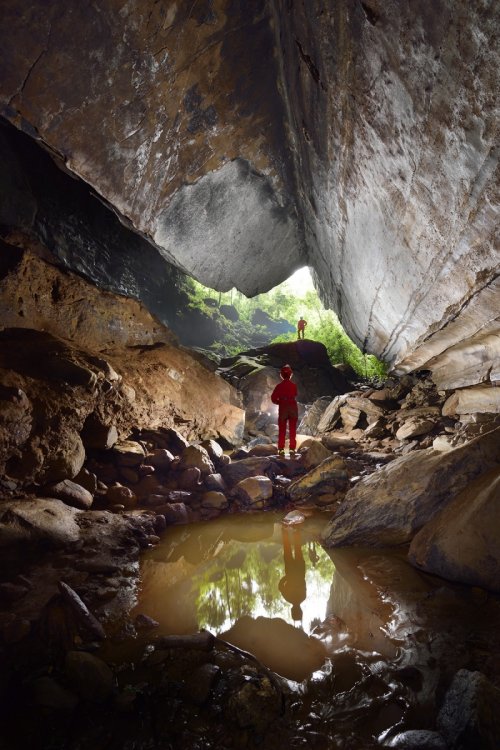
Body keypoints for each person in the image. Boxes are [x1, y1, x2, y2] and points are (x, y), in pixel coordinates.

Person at [278, 526, 306, 623]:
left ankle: (296, 530)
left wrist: (288, 577)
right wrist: (287, 577)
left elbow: (303, 582)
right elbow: (280, 587)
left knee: (297, 548)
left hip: (299, 570)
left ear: (300, 610)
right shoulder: (288, 598)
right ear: (292, 610)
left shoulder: (303, 597)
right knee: (288, 548)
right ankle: (285, 530)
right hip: (290, 570)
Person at [271, 364, 298, 456]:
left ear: (281, 375)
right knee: (292, 429)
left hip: (283, 408)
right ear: (290, 375)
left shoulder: (279, 386)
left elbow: (273, 398)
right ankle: (292, 449)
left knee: (282, 430)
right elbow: (295, 394)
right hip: (293, 408)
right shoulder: (293, 385)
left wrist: (279, 402)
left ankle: (281, 449)